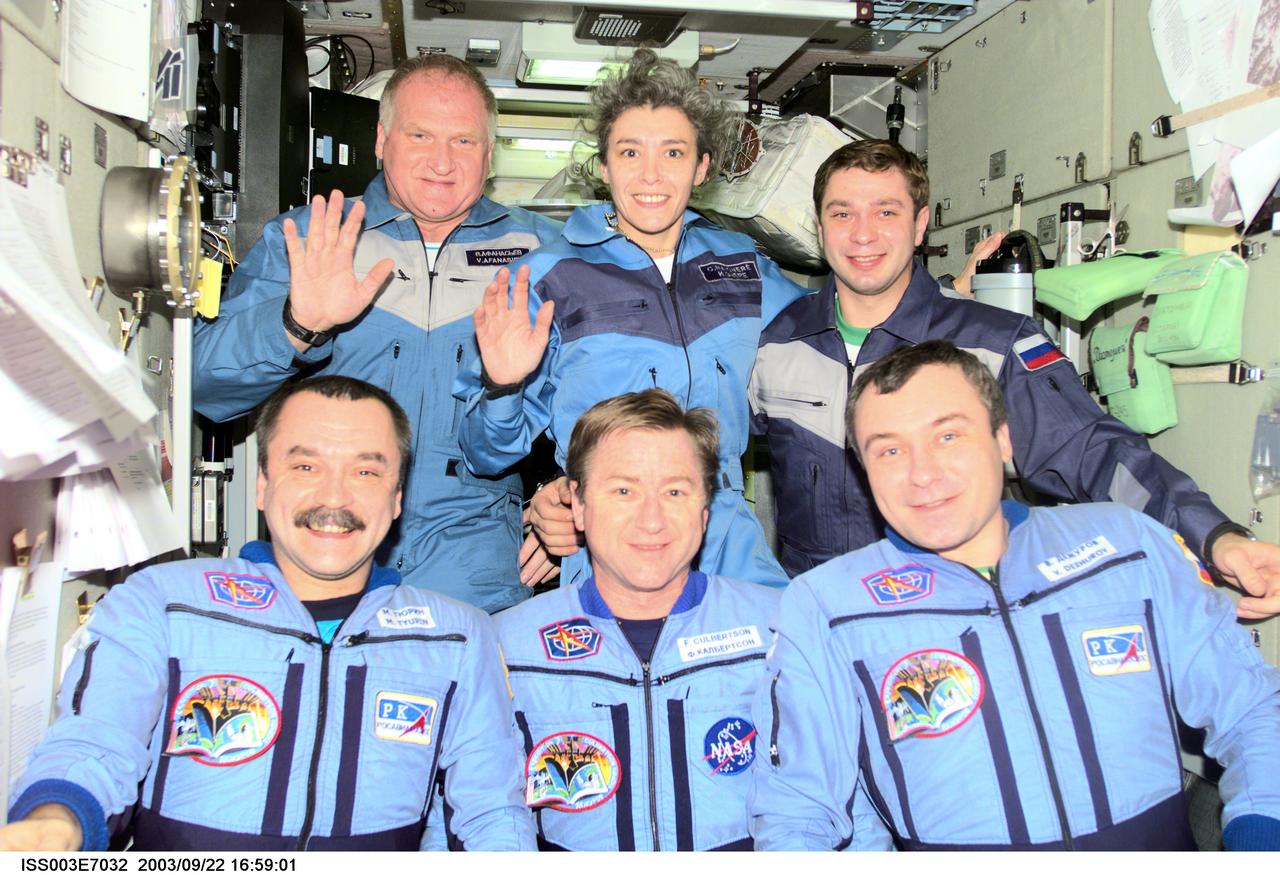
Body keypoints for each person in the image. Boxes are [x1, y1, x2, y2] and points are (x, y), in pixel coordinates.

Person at [749, 341, 1280, 851]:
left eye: (948, 436)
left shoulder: (1127, 547)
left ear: (1003, 439)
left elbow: (1253, 712)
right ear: (864, 470)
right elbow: (797, 813)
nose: (923, 474)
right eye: (889, 449)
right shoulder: (828, 608)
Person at [747, 139, 1280, 617]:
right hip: (821, 621)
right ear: (820, 228)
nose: (862, 234)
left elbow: (1097, 452)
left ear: (920, 224)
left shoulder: (993, 343)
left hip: (954, 619)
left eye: (886, 211)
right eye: (842, 214)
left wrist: (1216, 537)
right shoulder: (775, 344)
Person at [1, 376, 534, 851]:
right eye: (305, 465)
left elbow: (489, 812)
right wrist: (55, 824)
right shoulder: (164, 602)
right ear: (261, 485)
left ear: (397, 498)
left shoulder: (459, 636)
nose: (334, 497)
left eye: (366, 471)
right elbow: (95, 743)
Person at [192, 54, 562, 613]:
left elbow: (603, 398)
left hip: (473, 566)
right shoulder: (312, 239)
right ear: (382, 140)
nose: (442, 161)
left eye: (464, 141)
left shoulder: (544, 255)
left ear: (489, 156)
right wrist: (298, 324)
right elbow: (201, 387)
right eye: (420, 135)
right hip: (327, 543)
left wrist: (568, 505)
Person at [455, 49, 806, 590]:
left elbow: (834, 335)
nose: (651, 175)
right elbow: (483, 454)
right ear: (603, 166)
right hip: (608, 541)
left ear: (702, 166)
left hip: (725, 536)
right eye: (629, 151)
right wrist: (502, 387)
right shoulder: (548, 277)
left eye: (672, 152)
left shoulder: (743, 266)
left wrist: (942, 296)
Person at [491, 389, 779, 850]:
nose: (651, 519)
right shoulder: (506, 647)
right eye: (624, 490)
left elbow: (833, 805)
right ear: (579, 506)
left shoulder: (778, 633)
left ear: (705, 511)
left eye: (675, 491)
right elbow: (478, 818)